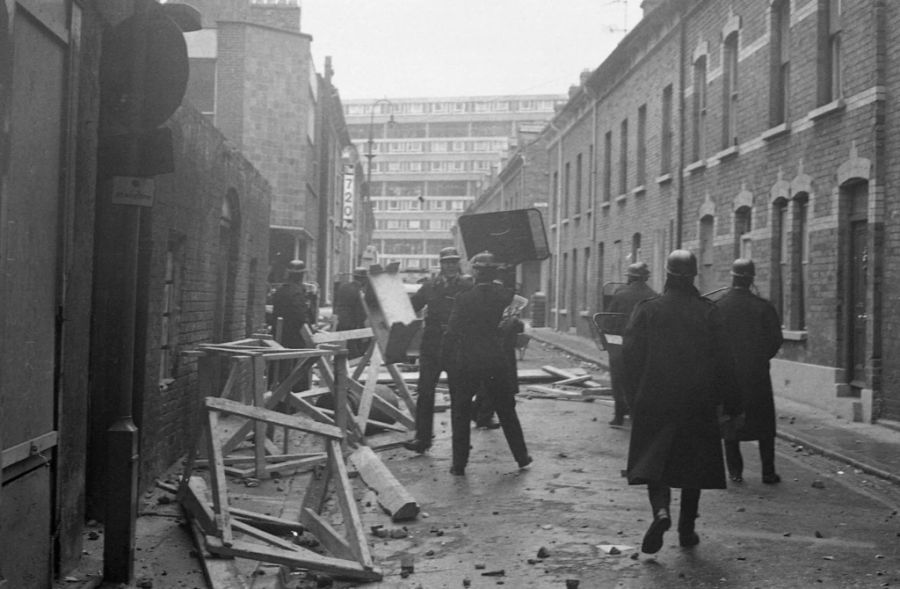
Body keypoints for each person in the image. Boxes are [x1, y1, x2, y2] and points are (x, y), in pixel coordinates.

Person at [623, 249, 741, 553]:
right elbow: (726, 362)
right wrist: (732, 404)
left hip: (654, 399)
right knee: (694, 466)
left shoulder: (647, 309)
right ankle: (686, 531)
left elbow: (630, 359)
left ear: (667, 274)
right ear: (693, 276)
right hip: (698, 401)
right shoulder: (709, 312)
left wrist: (631, 399)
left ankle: (661, 512)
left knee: (654, 460)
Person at [445, 251, 531, 476]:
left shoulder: (463, 298)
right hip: (495, 360)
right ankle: (521, 457)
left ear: (475, 272)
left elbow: (452, 331)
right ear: (494, 272)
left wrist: (450, 357)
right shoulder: (507, 296)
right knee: (506, 410)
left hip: (468, 361)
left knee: (461, 412)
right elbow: (517, 327)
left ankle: (459, 464)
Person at [714, 259, 784, 485]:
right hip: (757, 375)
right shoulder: (763, 307)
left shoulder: (718, 307)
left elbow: (711, 343)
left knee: (730, 424)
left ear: (732, 277)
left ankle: (735, 472)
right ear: (751, 279)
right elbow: (775, 340)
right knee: (764, 425)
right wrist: (760, 358)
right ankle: (768, 473)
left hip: (728, 375)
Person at [402, 247, 473, 453]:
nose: (450, 265)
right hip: (432, 345)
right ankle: (422, 439)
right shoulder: (430, 286)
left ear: (458, 264)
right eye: (446, 262)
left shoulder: (468, 286)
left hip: (456, 345)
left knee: (459, 395)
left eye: (454, 262)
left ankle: (461, 440)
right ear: (440, 264)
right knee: (425, 392)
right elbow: (410, 306)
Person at [605, 261, 657, 426]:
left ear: (630, 278)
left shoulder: (620, 295)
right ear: (645, 278)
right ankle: (638, 416)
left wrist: (608, 343)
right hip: (645, 347)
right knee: (642, 380)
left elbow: (609, 321)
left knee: (618, 378)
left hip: (621, 343)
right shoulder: (654, 296)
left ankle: (619, 415)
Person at [271, 259, 315, 349]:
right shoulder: (297, 293)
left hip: (278, 336)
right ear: (302, 275)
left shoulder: (280, 290)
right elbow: (301, 317)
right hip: (295, 338)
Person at [333, 267, 370, 359]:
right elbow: (360, 310)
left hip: (341, 319)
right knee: (354, 347)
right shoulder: (359, 291)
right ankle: (354, 361)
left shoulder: (343, 287)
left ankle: (342, 360)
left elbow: (336, 302)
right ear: (363, 279)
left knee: (342, 344)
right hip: (352, 322)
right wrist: (362, 323)